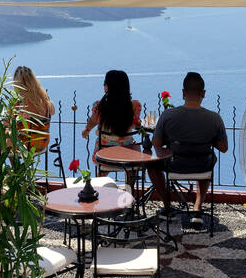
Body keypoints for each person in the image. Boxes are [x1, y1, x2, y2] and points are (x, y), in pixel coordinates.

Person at [151, 72, 228, 214]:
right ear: (203, 93)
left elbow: (156, 143)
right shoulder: (215, 118)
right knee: (209, 159)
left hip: (174, 165)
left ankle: (167, 205)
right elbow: (224, 148)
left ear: (183, 92)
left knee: (152, 166)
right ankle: (197, 205)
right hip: (202, 166)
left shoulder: (168, 115)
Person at [82, 69, 143, 162]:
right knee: (132, 167)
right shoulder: (135, 105)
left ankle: (101, 175)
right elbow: (136, 124)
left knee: (102, 170)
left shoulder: (99, 106)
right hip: (128, 155)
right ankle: (131, 174)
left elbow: (93, 121)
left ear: (108, 87)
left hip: (105, 155)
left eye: (104, 83)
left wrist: (86, 130)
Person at [12, 65, 55, 152]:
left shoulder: (19, 102)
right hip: (42, 143)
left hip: (26, 145)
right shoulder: (44, 98)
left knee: (2, 138)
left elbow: (7, 123)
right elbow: (53, 112)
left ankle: (16, 165)